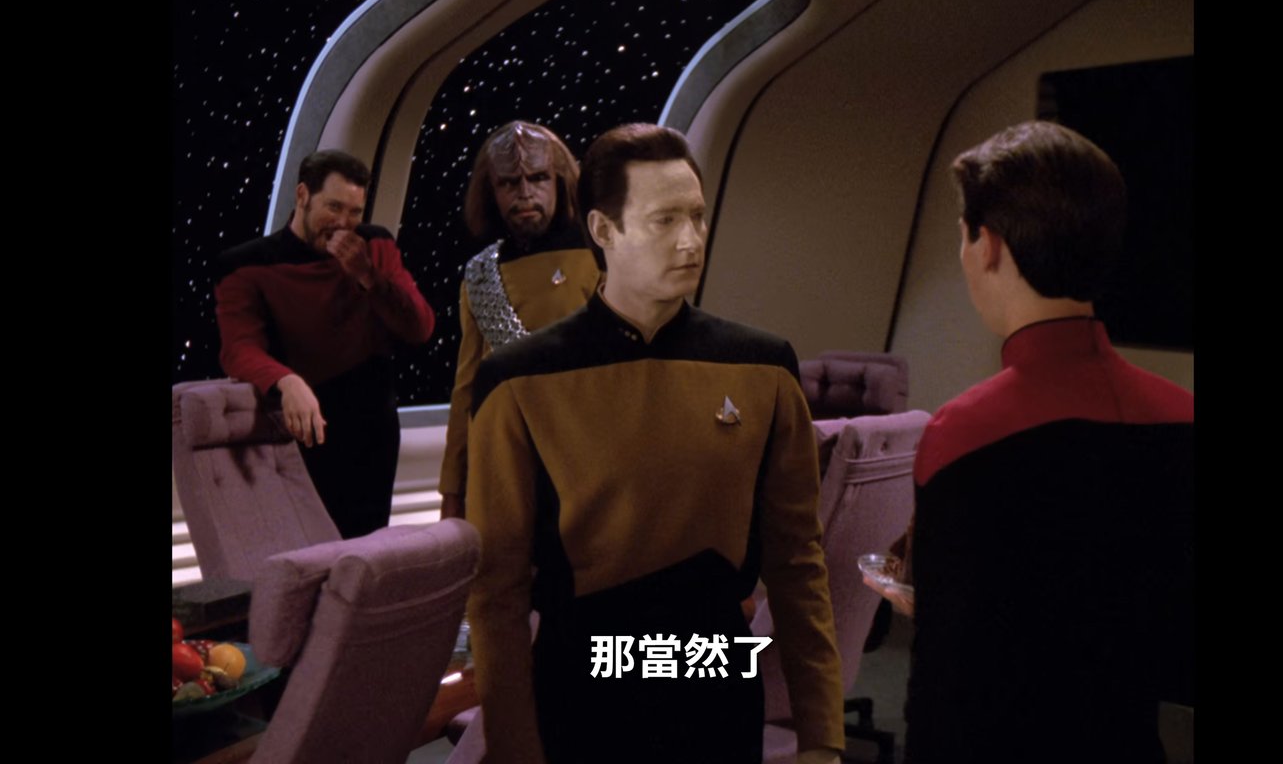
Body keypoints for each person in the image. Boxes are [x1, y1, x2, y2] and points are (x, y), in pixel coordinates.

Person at [465, 123, 845, 764]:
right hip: (582, 684)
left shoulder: (763, 366)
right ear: (603, 230)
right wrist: (514, 749)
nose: (691, 240)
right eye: (665, 220)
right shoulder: (519, 380)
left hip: (716, 670)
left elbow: (797, 560)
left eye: (697, 216)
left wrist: (822, 737)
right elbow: (496, 592)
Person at [868, 121, 1194, 763]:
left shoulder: (966, 433)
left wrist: (933, 604)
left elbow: (944, 692)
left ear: (987, 244)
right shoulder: (1182, 418)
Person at [214, 149, 435, 539]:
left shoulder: (374, 246)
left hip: (371, 429)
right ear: (303, 195)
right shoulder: (246, 265)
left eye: (354, 212)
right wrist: (286, 381)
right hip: (300, 429)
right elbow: (239, 348)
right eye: (334, 207)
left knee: (364, 551)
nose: (343, 223)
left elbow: (419, 327)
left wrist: (368, 276)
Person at [437, 121, 600, 519]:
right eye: (509, 183)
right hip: (504, 463)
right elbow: (467, 388)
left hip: (588, 458)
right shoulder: (480, 274)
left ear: (560, 180)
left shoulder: (603, 257)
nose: (525, 194)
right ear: (490, 191)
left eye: (538, 178)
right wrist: (453, 490)